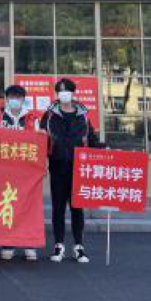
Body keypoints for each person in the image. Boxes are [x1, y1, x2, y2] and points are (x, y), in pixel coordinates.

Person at [40, 78, 90, 264]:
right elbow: (40, 140)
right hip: (57, 166)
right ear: (57, 94)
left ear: (73, 93)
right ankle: (59, 245)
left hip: (78, 167)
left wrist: (104, 148)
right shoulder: (49, 115)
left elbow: (91, 138)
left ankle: (79, 247)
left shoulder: (83, 115)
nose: (64, 94)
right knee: (58, 208)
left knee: (77, 207)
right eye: (60, 91)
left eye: (67, 90)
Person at [0, 84, 39, 262]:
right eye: (12, 97)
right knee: (8, 206)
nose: (15, 100)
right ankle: (8, 243)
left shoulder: (32, 118)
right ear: (7, 99)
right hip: (5, 170)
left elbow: (39, 143)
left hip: (27, 171)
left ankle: (29, 244)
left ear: (23, 99)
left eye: (18, 97)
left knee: (27, 207)